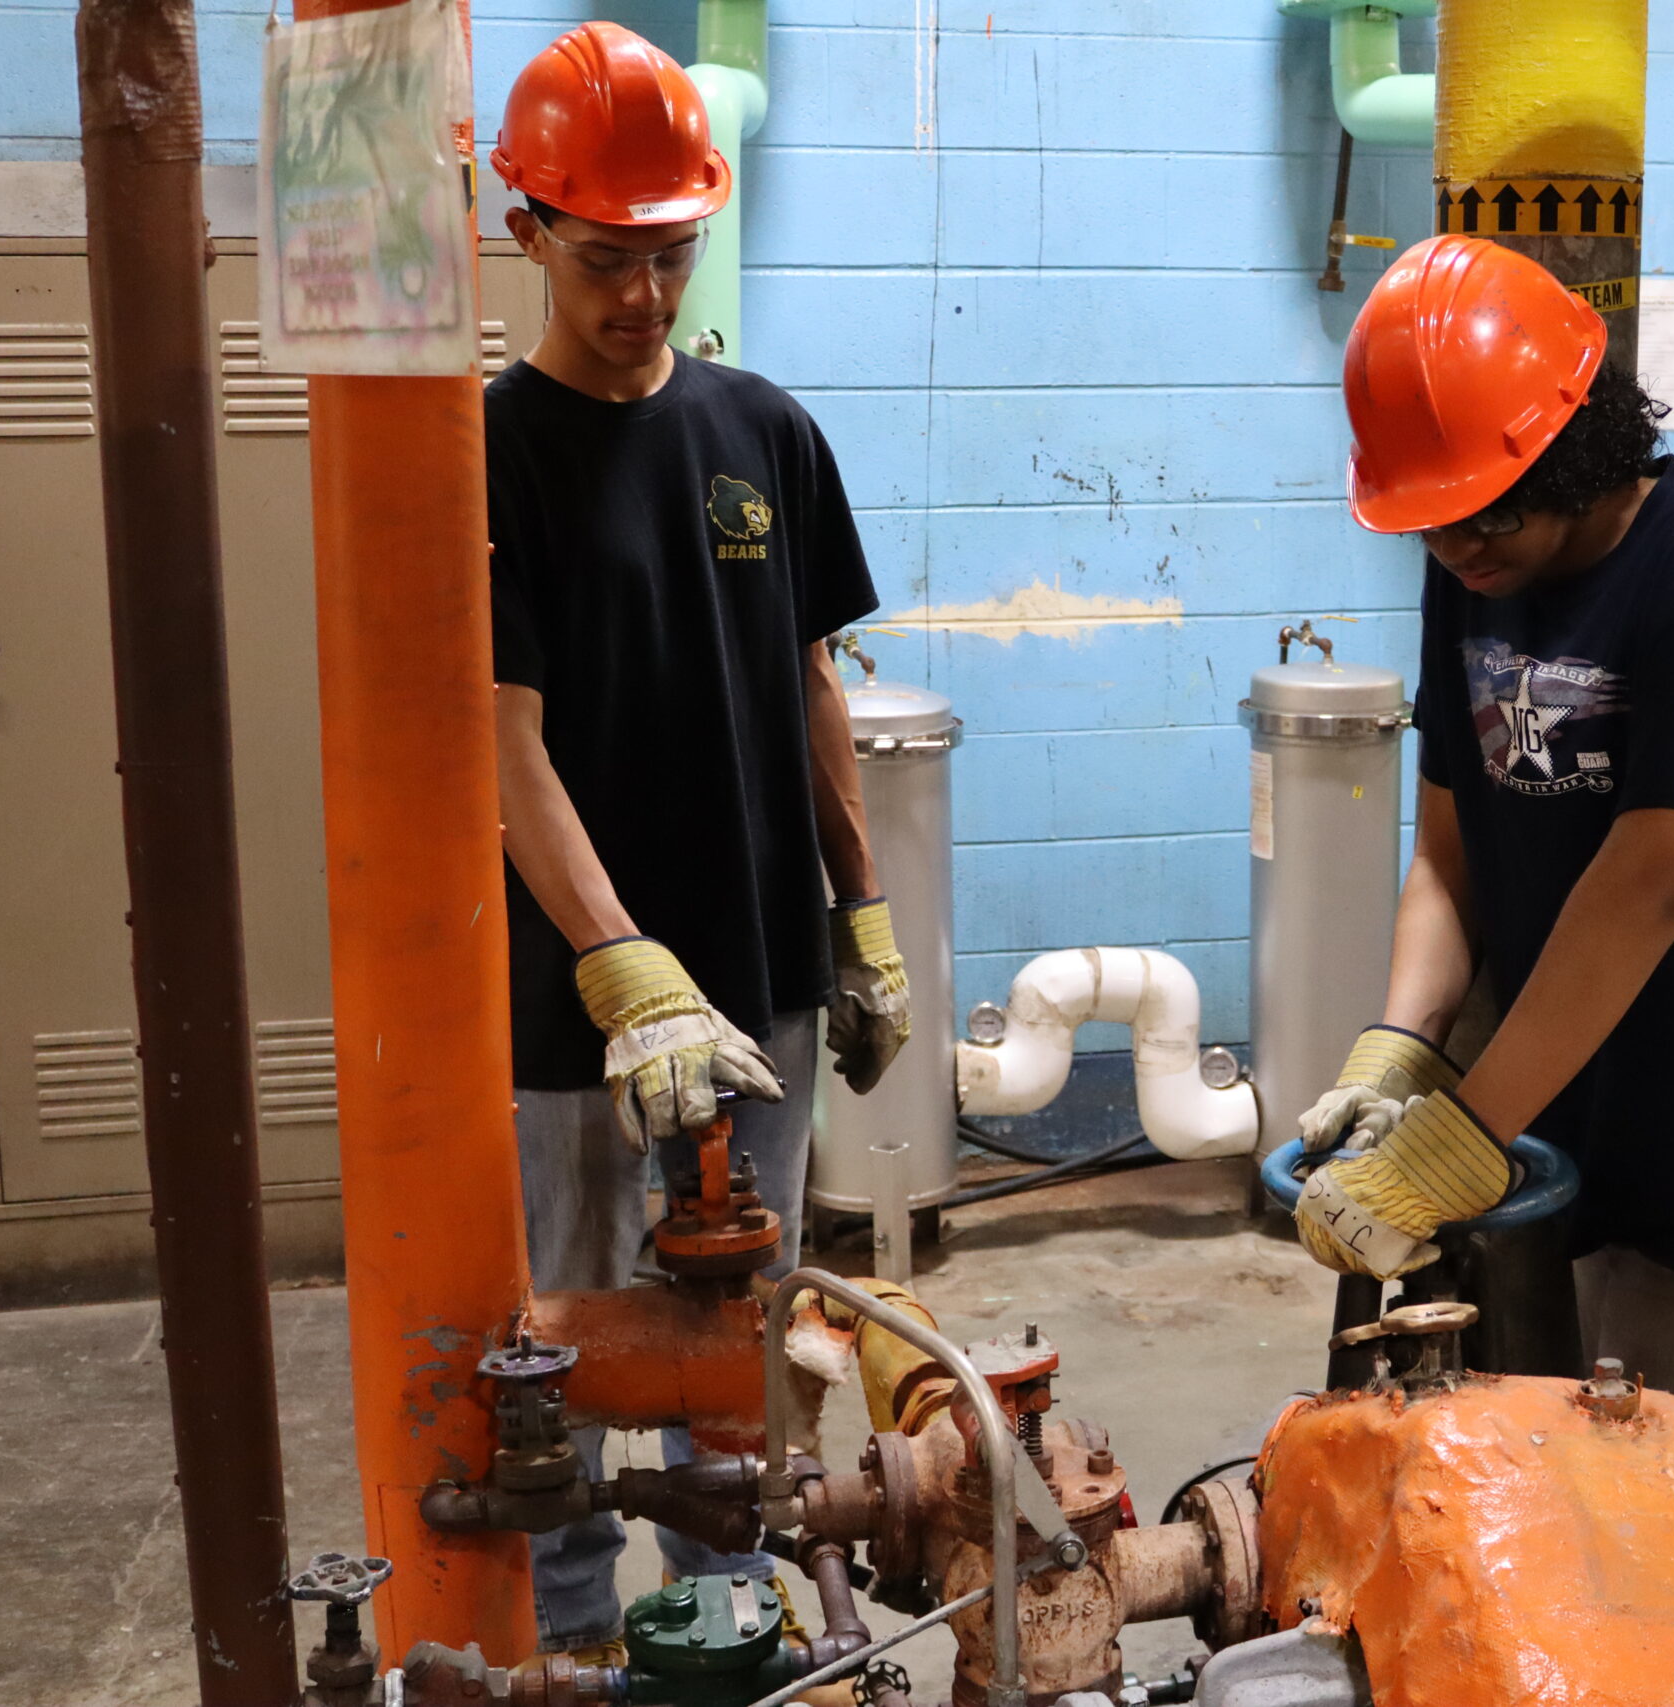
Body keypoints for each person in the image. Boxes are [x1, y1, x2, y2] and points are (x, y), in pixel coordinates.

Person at [1291, 236, 1674, 1448]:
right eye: (1431, 524)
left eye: (1481, 512)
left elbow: (1648, 886)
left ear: (1579, 441)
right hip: (1555, 1122)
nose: (1455, 548)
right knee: (1542, 1484)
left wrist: (1455, 1139)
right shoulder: (1474, 567)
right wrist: (1399, 1048)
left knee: (1661, 1511)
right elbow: (1448, 851)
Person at [483, 21, 911, 1649]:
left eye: (670, 254)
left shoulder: (765, 433)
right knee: (571, 1351)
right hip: (572, 1023)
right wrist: (616, 964)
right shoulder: (491, 451)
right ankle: (581, 1644)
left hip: (756, 984)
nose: (643, 294)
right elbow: (498, 737)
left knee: (742, 1334)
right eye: (607, 258)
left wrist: (858, 912)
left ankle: (729, 1626)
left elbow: (811, 682)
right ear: (526, 229)